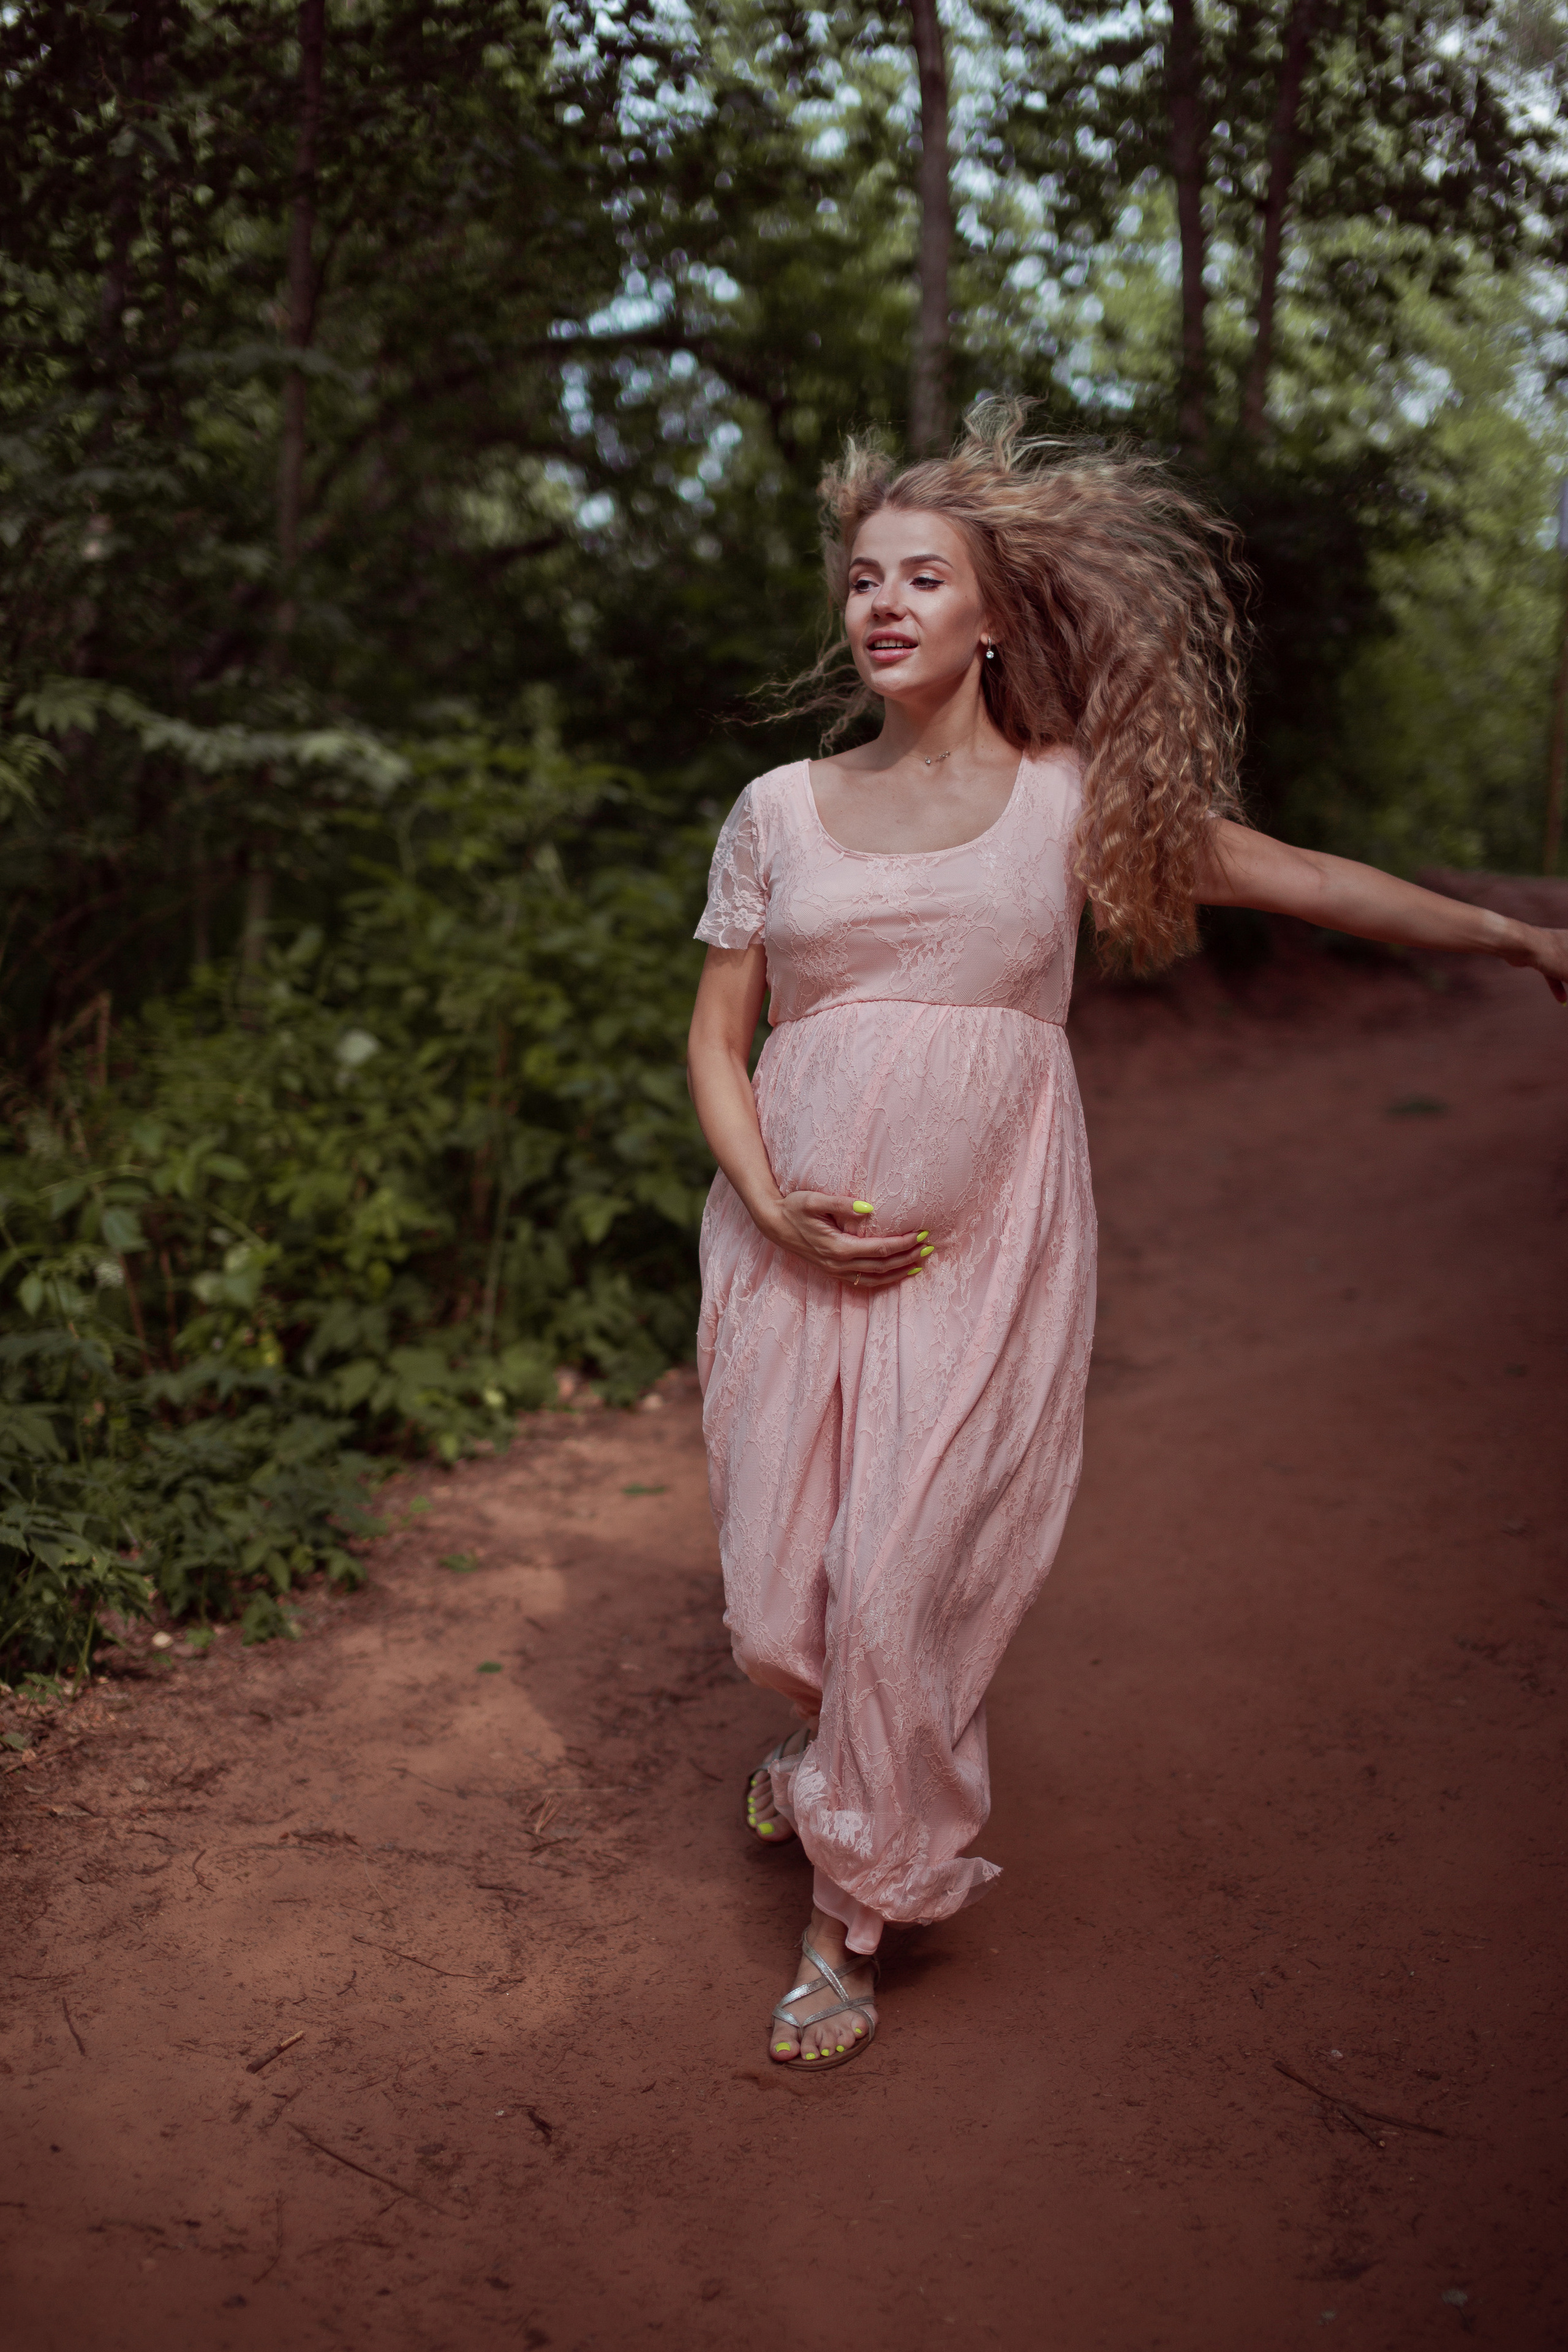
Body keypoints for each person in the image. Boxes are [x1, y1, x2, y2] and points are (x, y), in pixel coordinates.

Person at [684, 403, 1568, 2071]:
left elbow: (1301, 880)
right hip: (782, 1248)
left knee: (888, 1602)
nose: (880, 604)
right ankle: (816, 1765)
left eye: (920, 578)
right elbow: (714, 1039)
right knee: (774, 1624)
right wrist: (771, 1201)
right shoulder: (778, 811)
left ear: (992, 614)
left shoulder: (1067, 804)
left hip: (981, 1251)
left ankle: (847, 1917)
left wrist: (1514, 941)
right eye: (863, 579)